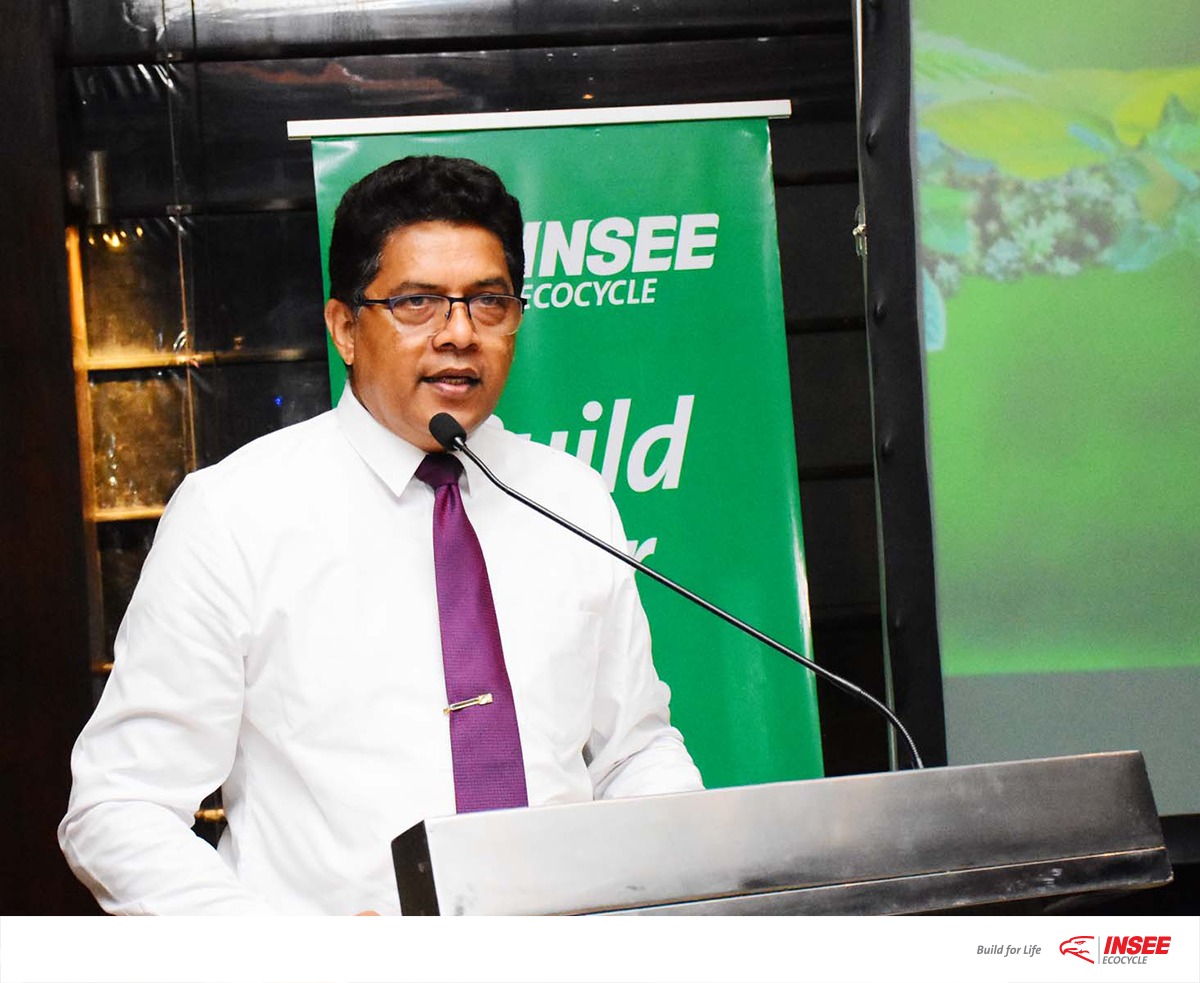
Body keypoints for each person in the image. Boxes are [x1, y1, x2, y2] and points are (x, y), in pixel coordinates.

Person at [58, 155, 703, 915]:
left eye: (488, 302)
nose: (459, 333)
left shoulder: (570, 497)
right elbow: (119, 806)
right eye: (417, 302)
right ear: (344, 328)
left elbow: (633, 751)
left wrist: (683, 880)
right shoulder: (235, 514)